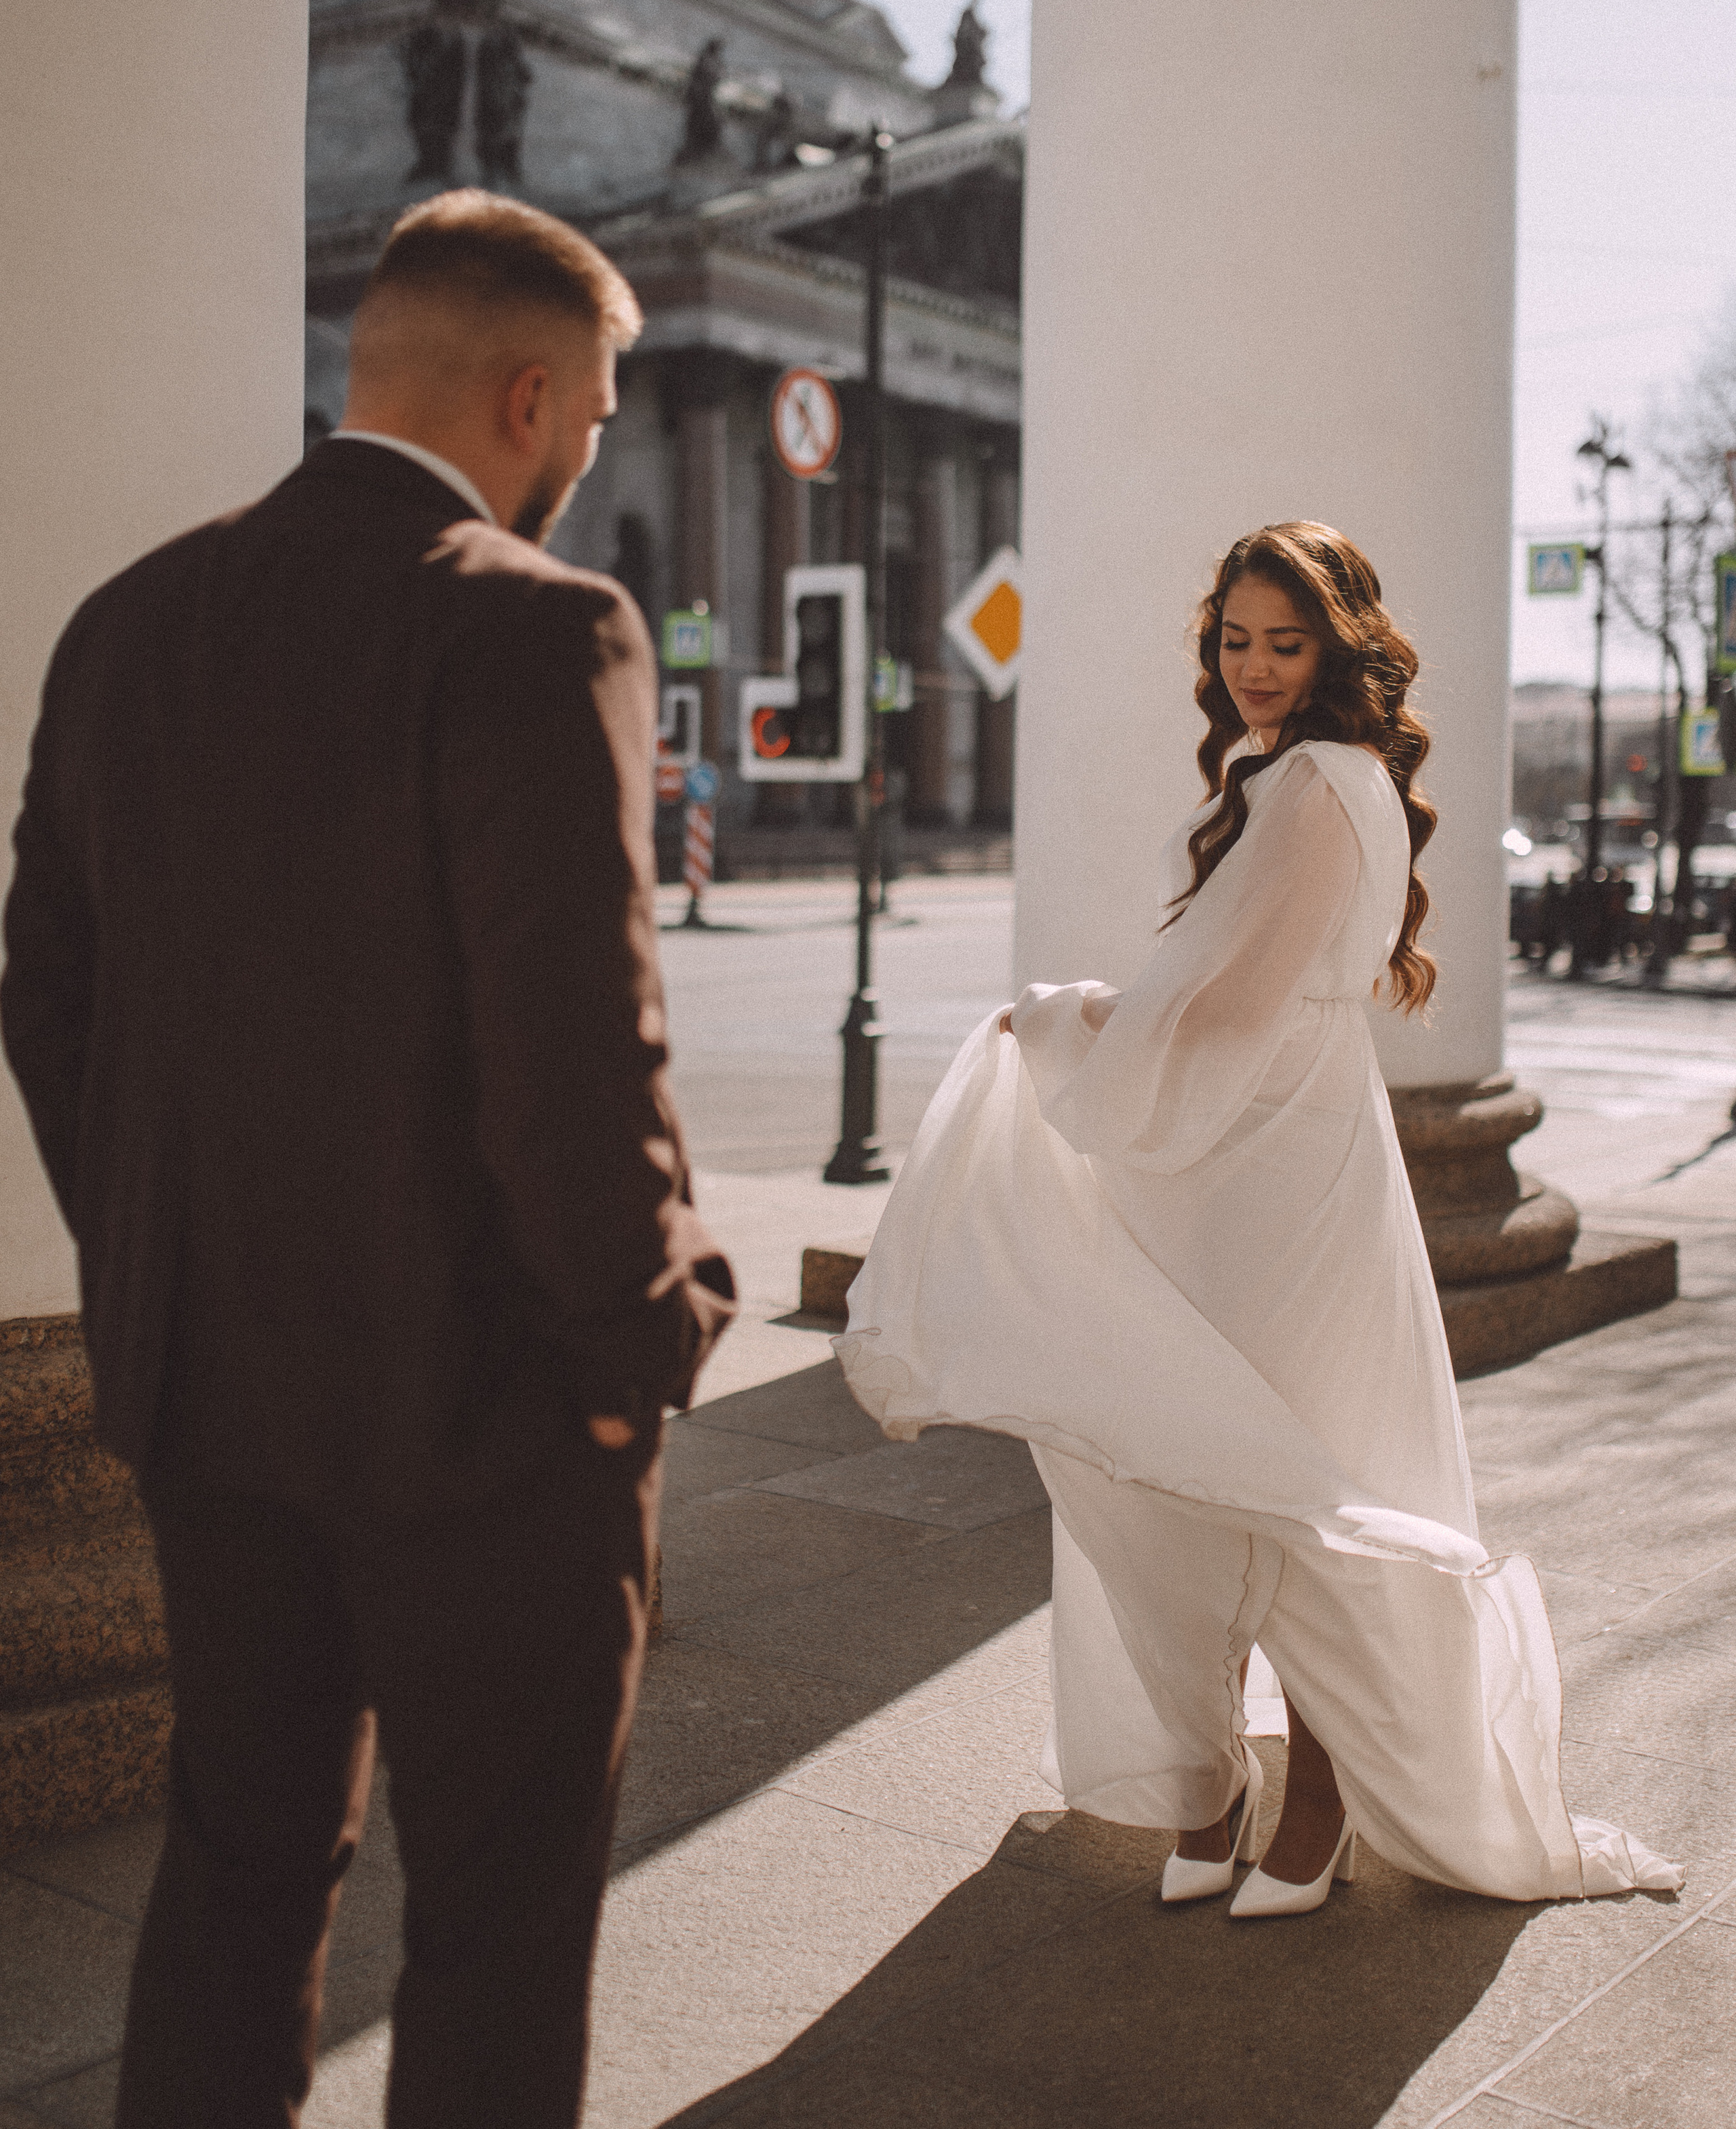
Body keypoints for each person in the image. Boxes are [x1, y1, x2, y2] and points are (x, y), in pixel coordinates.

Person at [1, 190, 736, 2124]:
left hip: (210, 1393)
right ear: (526, 394)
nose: (584, 457)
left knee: (238, 1863)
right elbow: (576, 1052)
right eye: (585, 416)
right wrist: (643, 1336)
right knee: (498, 1916)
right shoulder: (538, 624)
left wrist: (166, 1262)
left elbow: (47, 998)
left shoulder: (131, 618)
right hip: (488, 1413)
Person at [839, 522, 1679, 1914]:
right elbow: (1213, 988)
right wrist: (1108, 1029)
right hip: (1230, 1144)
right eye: (1233, 639)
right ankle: (1210, 1775)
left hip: (1280, 1154)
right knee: (1182, 1457)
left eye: (1284, 641)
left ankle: (1327, 1786)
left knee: (1285, 1462)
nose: (1253, 667)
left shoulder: (1326, 779)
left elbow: (1230, 1003)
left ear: (1338, 644)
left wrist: (1066, 1023)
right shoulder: (1265, 774)